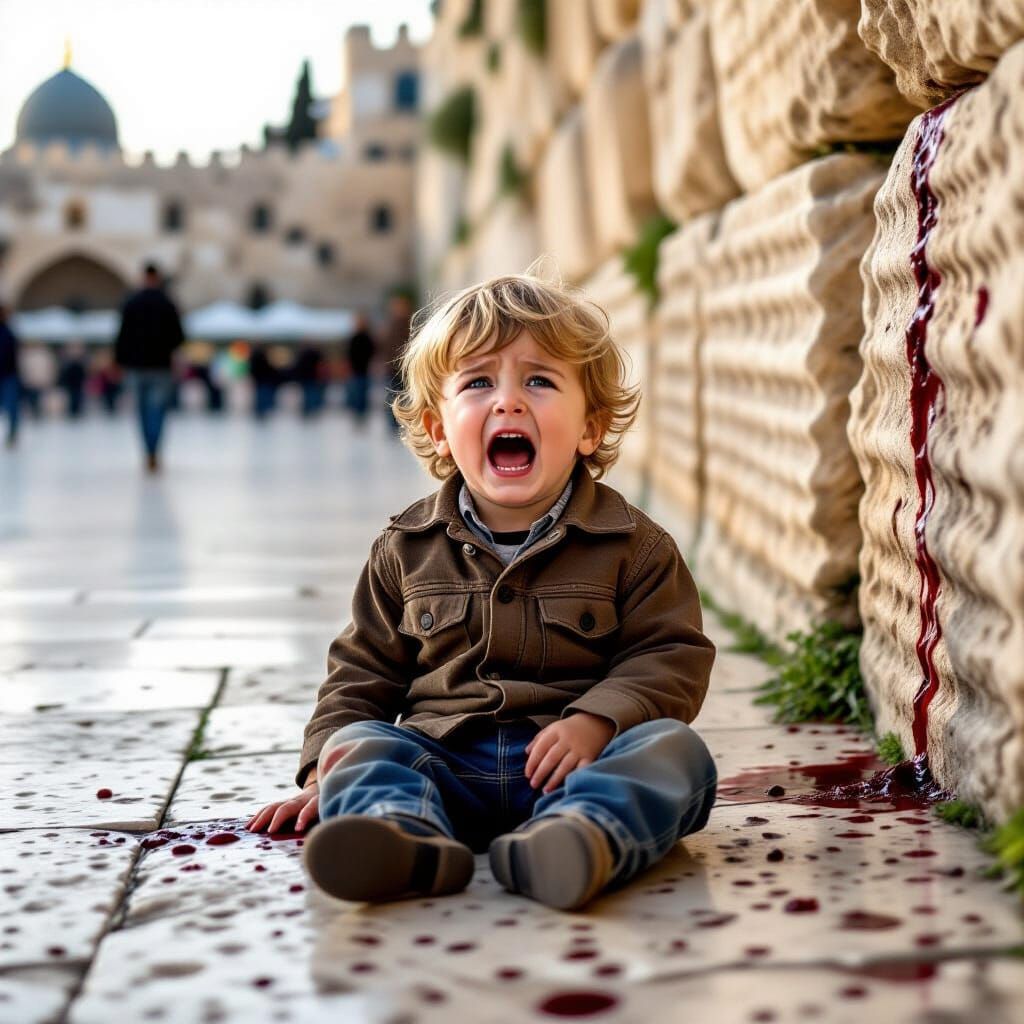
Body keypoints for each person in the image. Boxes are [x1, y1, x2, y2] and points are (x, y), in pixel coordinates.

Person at [247, 273, 717, 912]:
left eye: (539, 381)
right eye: (478, 383)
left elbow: (672, 657)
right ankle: (397, 835)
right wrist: (325, 774)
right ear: (439, 430)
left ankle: (582, 838)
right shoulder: (404, 548)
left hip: (575, 768)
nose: (508, 402)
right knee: (362, 746)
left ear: (590, 427)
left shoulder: (635, 546)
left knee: (675, 754)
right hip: (439, 765)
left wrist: (598, 719)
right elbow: (360, 675)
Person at [114, 263, 184, 473]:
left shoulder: (131, 302)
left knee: (142, 411)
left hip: (136, 367)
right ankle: (155, 450)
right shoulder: (167, 303)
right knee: (157, 410)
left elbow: (121, 336)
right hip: (161, 366)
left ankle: (148, 450)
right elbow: (179, 337)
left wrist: (120, 361)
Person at [379, 293, 412, 433]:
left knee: (401, 396)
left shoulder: (407, 323)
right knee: (393, 397)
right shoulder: (392, 324)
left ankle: (399, 423)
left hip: (403, 367)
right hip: (393, 368)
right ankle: (393, 424)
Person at [344, 313, 375, 425]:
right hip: (355, 371)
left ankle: (361, 416)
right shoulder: (354, 337)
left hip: (364, 371)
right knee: (356, 395)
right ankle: (358, 416)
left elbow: (372, 352)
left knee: (362, 395)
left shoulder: (367, 337)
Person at [0, 305, 20, 448]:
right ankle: (12, 435)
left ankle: (12, 435)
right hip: (8, 375)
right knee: (11, 406)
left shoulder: (8, 332)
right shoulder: (9, 332)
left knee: (12, 407)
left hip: (8, 375)